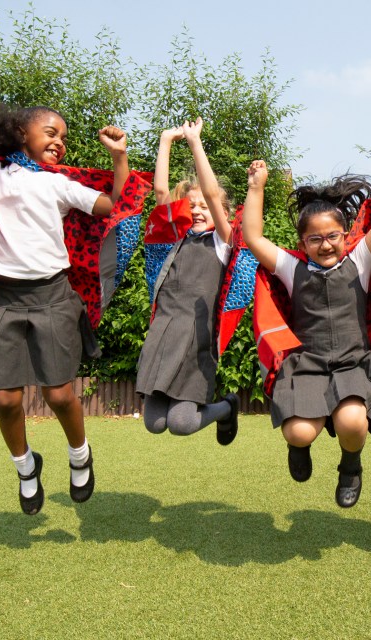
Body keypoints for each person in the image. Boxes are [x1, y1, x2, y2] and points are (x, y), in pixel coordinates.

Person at [0, 63, 151, 515]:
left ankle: (80, 455)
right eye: (50, 132)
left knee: (60, 394)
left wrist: (119, 156)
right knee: (5, 399)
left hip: (53, 296)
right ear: (20, 132)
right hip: (2, 298)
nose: (59, 141)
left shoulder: (58, 184)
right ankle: (26, 467)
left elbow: (113, 205)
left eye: (63, 136)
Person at [243, 151, 371, 508]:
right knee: (298, 432)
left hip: (352, 363)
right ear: (303, 242)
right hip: (307, 365)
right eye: (315, 239)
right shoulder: (290, 268)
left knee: (353, 422)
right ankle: (298, 447)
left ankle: (351, 465)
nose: (325, 244)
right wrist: (256, 187)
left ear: (344, 235)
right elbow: (252, 238)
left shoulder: (360, 262)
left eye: (333, 235)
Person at [136, 119, 241, 442]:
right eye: (191, 205)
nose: (197, 210)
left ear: (221, 212)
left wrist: (195, 143)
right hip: (163, 335)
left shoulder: (224, 244)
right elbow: (160, 192)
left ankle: (227, 408)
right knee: (153, 423)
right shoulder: (173, 239)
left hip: (196, 341)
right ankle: (220, 408)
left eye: (205, 207)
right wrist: (166, 140)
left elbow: (211, 192)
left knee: (181, 423)